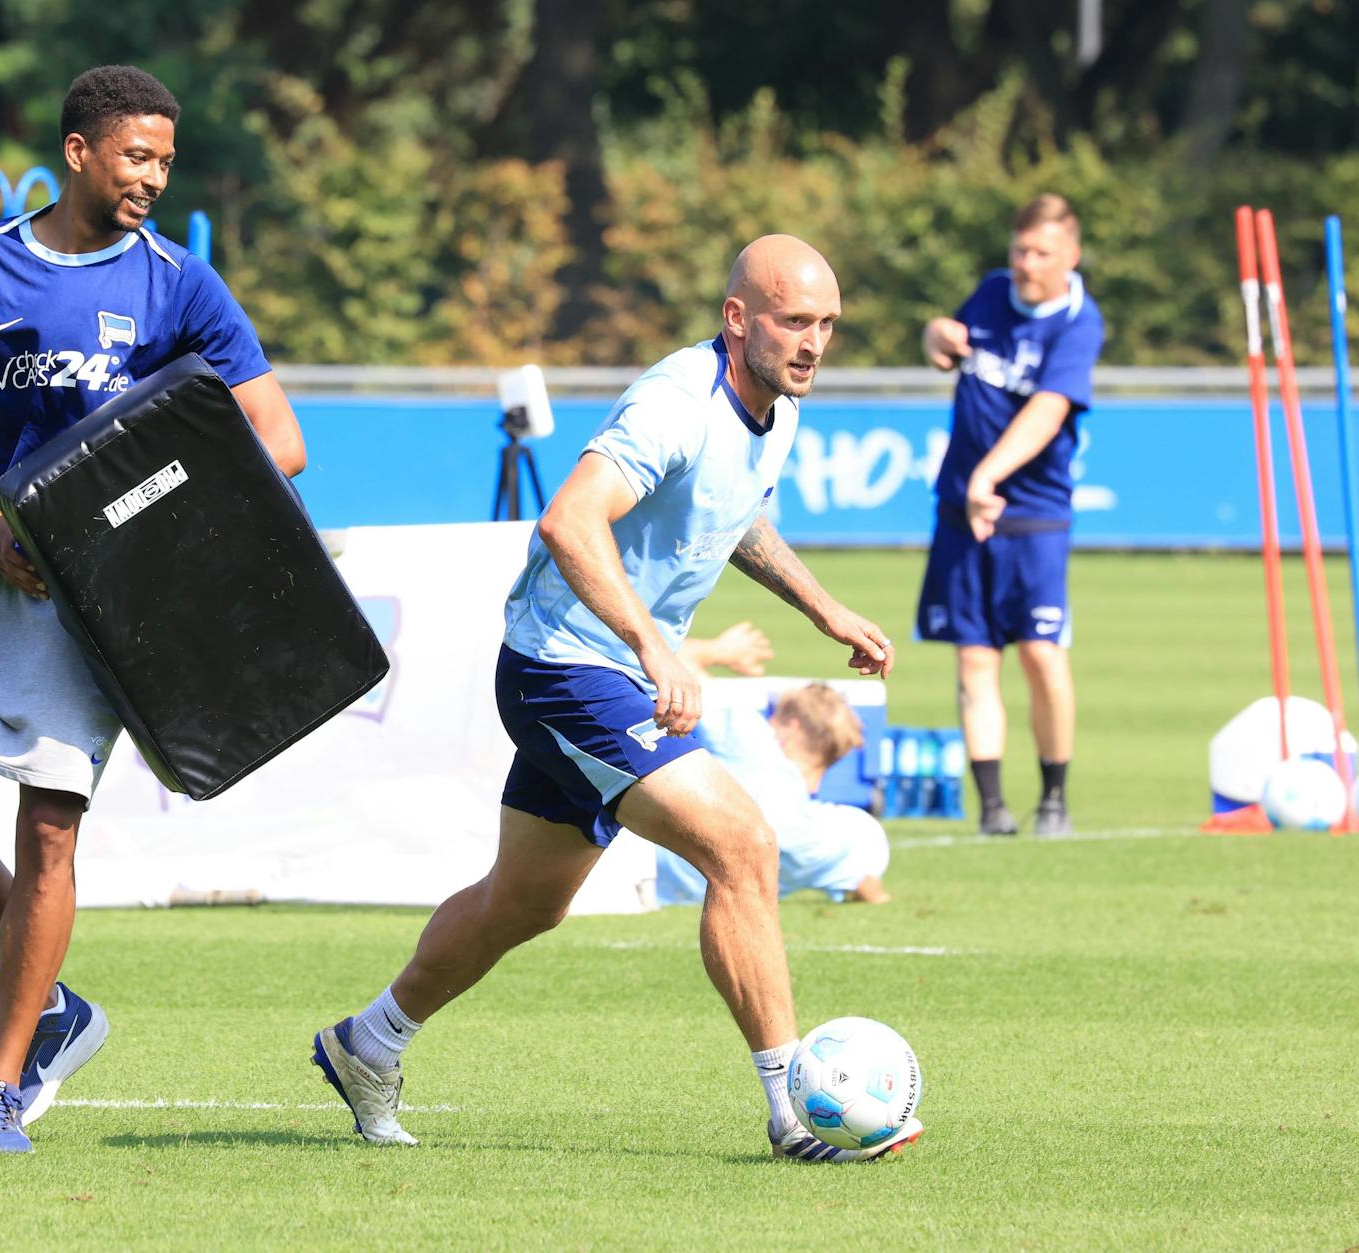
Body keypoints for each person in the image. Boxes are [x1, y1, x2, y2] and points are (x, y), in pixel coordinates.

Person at [311, 235, 922, 1162]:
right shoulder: (678, 399)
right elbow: (569, 520)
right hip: (570, 669)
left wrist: (825, 606)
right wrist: (651, 643)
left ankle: (369, 1041)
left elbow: (733, 512)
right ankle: (793, 1106)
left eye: (828, 325)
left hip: (605, 672)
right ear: (738, 318)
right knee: (744, 844)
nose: (814, 342)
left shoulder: (777, 408)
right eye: (796, 321)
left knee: (524, 901)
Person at [0, 65, 306, 1153]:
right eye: (136, 156)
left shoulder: (179, 285)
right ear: (79, 152)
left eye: (164, 160)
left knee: (47, 830)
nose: (151, 176)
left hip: (88, 605)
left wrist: (136, 514)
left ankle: (0, 1082)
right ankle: (57, 1007)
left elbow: (277, 442)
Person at [915, 193, 1105, 838]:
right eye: (1020, 248)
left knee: (1042, 655)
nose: (1026, 263)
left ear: (1071, 256)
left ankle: (1054, 796)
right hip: (963, 508)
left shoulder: (1079, 320)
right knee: (974, 657)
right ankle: (993, 808)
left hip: (1035, 512)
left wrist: (988, 477)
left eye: (1041, 253)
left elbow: (1047, 411)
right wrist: (935, 334)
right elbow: (947, 349)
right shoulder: (993, 291)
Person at [674, 683, 890, 905]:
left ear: (792, 727)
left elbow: (683, 680)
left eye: (775, 720)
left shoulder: (757, 744)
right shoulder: (846, 831)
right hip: (716, 900)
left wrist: (718, 651)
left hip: (652, 875)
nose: (769, 725)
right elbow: (867, 887)